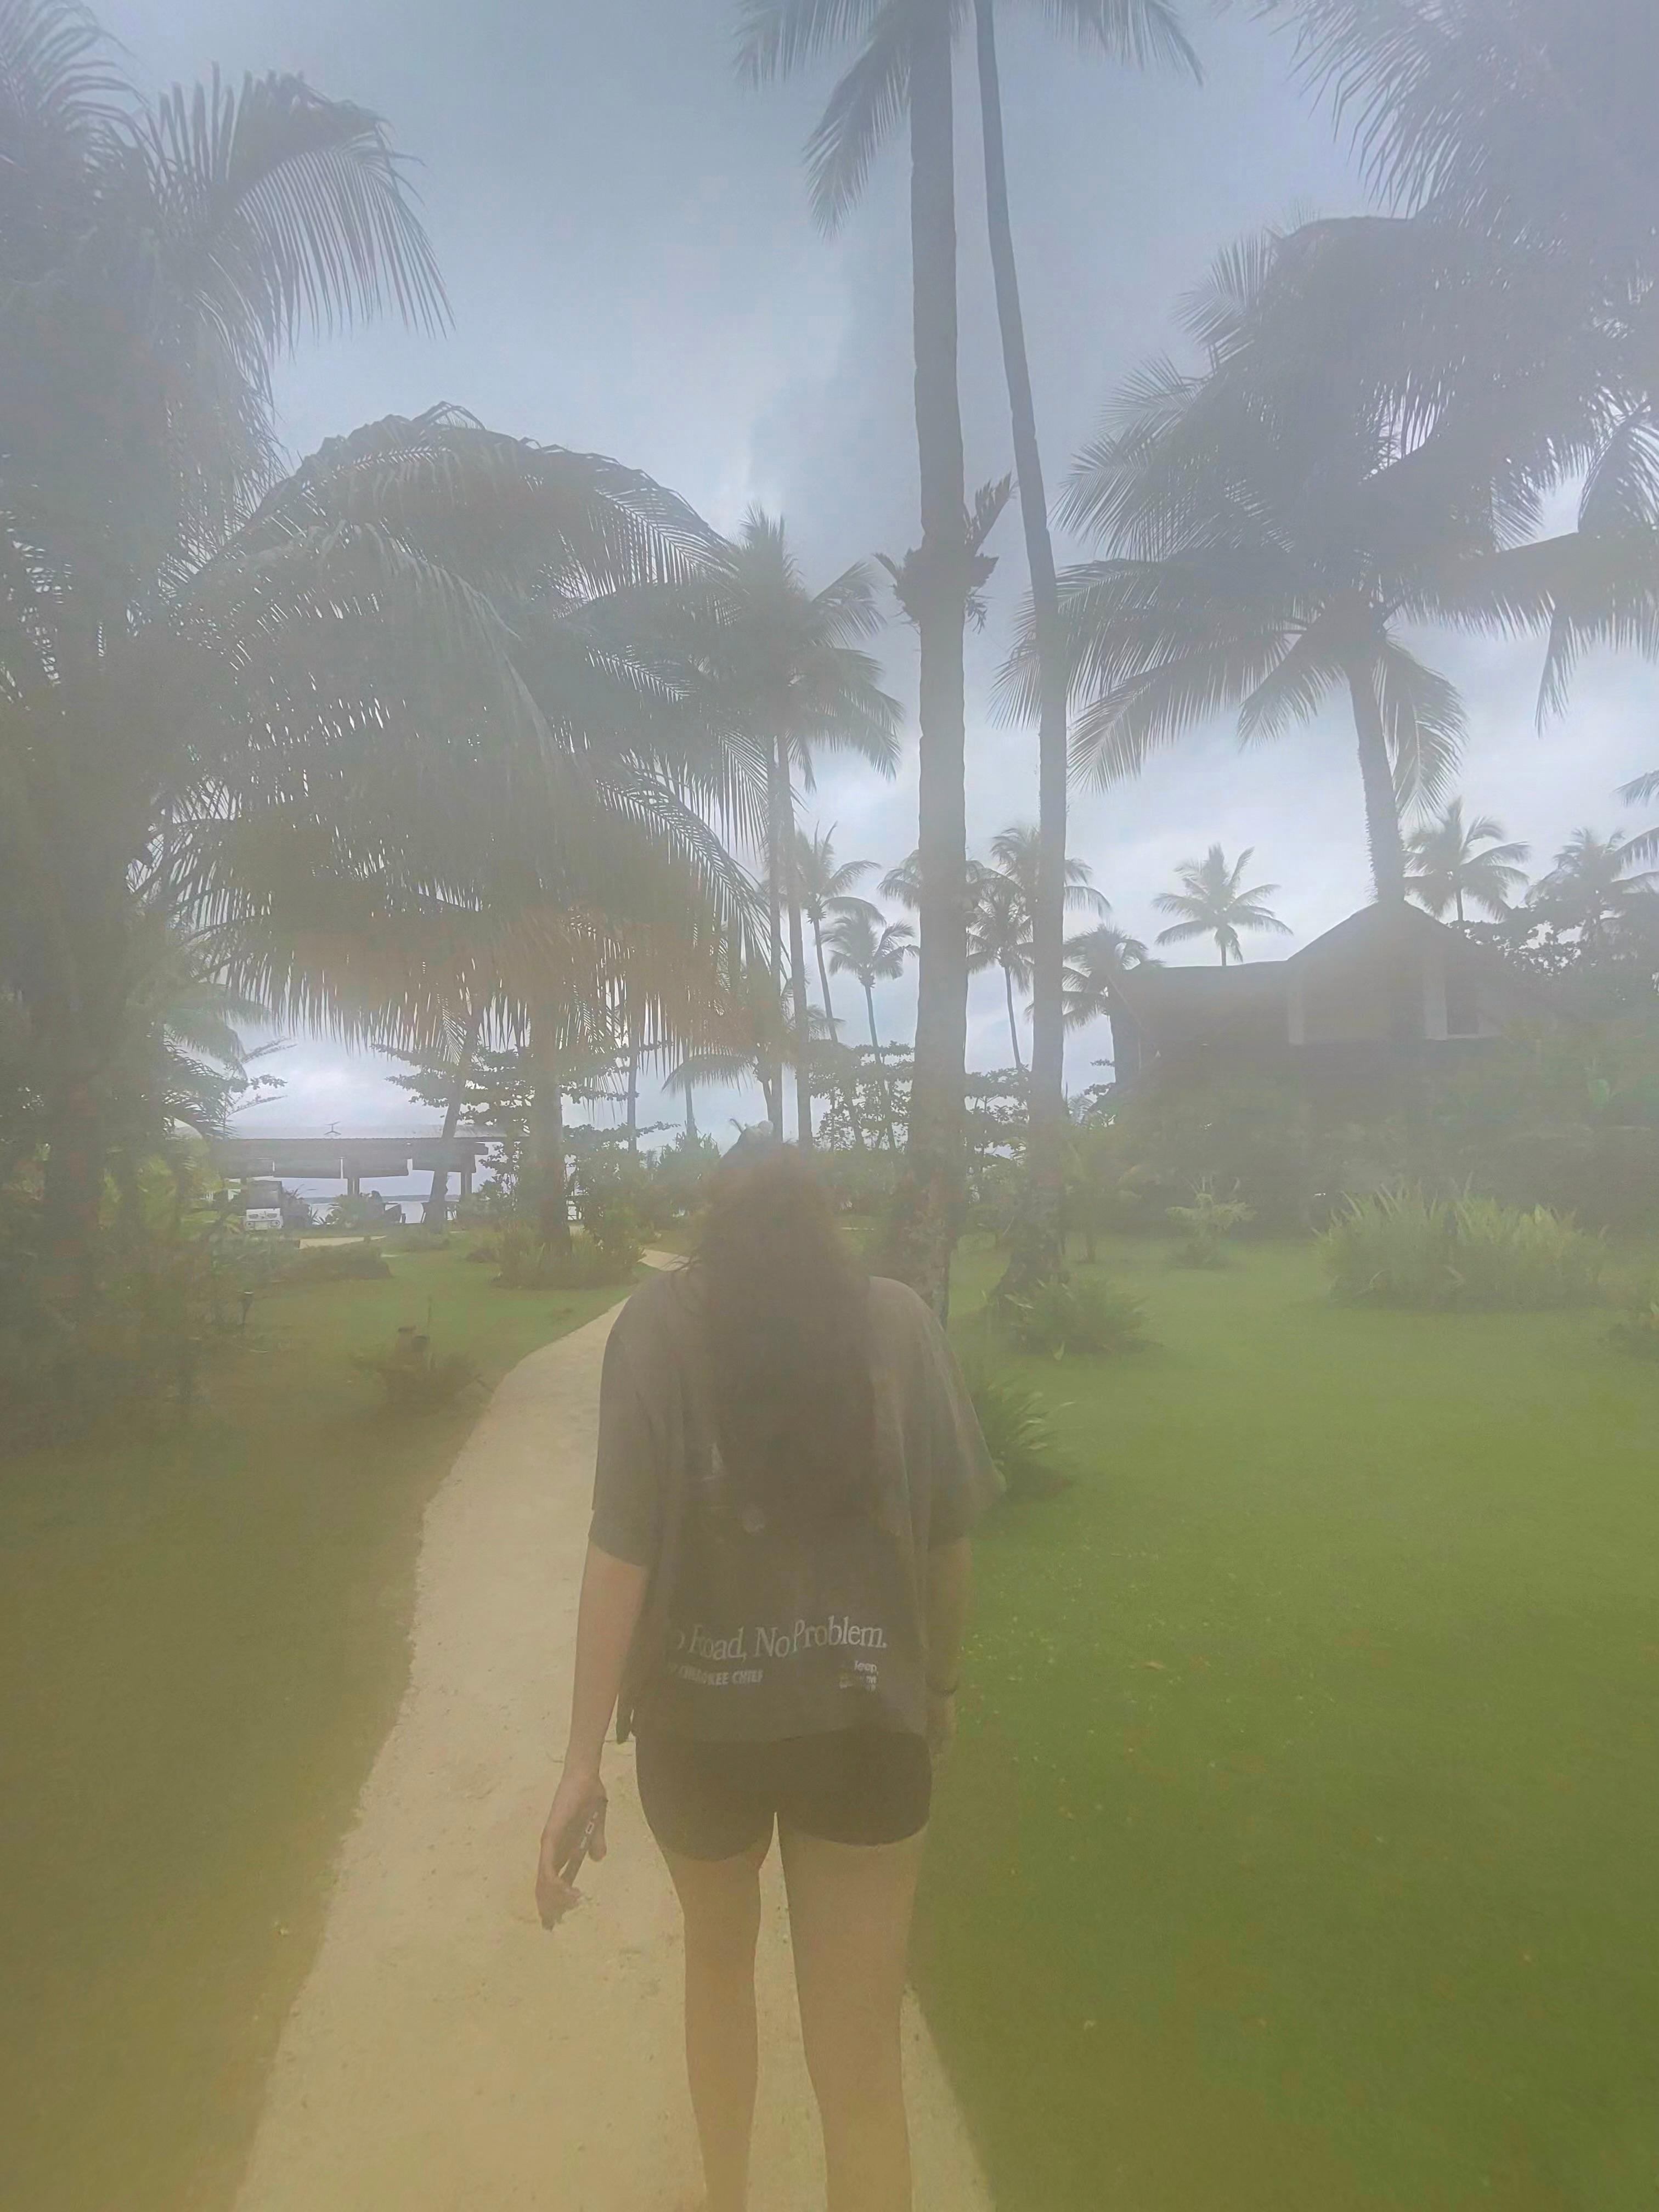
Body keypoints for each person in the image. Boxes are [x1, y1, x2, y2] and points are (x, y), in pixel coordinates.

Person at [535, 1138, 998, 2212]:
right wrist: (938, 1688)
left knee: (716, 1970)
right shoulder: (899, 1325)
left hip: (701, 1731)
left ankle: (728, 2196)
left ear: (713, 1218)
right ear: (825, 1217)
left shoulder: (658, 1328)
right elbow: (949, 1544)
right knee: (862, 2067)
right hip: (866, 1729)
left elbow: (620, 1549)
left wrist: (579, 1760)